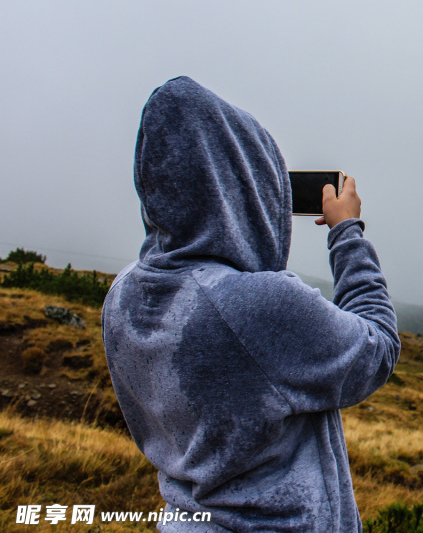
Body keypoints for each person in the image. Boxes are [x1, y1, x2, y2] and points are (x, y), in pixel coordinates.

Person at [102, 76, 400, 532]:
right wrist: (347, 233)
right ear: (241, 189)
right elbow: (377, 348)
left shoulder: (122, 297)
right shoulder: (254, 306)